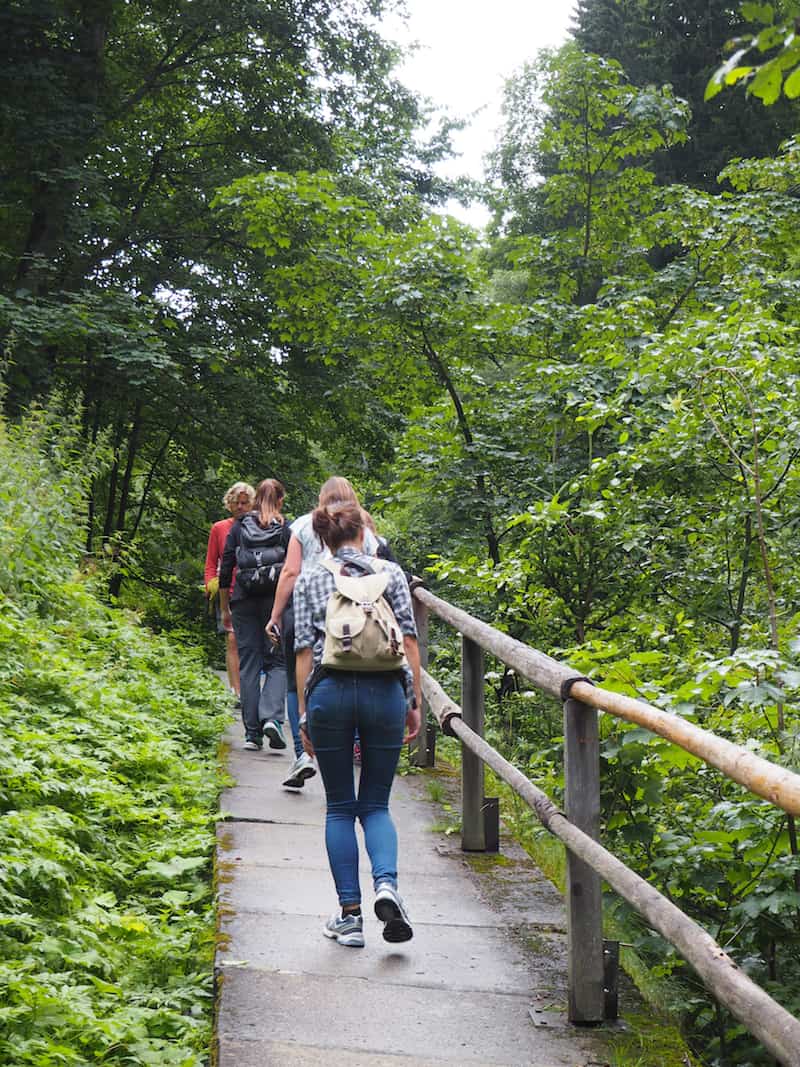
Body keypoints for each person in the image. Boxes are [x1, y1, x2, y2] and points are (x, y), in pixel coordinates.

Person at [293, 498, 422, 948]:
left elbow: (305, 650)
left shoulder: (311, 576)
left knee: (339, 807)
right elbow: (407, 640)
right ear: (364, 534)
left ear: (324, 537)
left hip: (329, 690)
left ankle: (350, 916)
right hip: (385, 690)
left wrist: (306, 716)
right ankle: (386, 885)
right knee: (377, 805)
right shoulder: (391, 574)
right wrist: (413, 700)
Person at [267, 476, 379, 789]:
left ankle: (303, 752)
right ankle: (353, 742)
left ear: (321, 498)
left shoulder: (303, 525)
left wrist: (275, 614)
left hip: (306, 610)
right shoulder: (365, 528)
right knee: (351, 671)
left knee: (296, 681)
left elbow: (290, 572)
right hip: (355, 616)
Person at [219, 479, 291, 751]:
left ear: (255, 498)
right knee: (278, 662)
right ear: (280, 501)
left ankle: (252, 734)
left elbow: (226, 569)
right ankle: (272, 717)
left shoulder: (239, 526)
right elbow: (292, 571)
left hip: (243, 601)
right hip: (275, 603)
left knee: (249, 663)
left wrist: (225, 608)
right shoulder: (286, 529)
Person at [204, 481, 255, 700]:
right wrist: (210, 585)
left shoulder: (259, 526)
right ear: (229, 504)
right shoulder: (219, 528)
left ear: (252, 504)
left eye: (245, 503)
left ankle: (251, 689)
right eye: (237, 502)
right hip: (227, 591)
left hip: (253, 591)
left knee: (252, 643)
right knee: (232, 641)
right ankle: (236, 691)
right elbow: (210, 563)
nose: (241, 507)